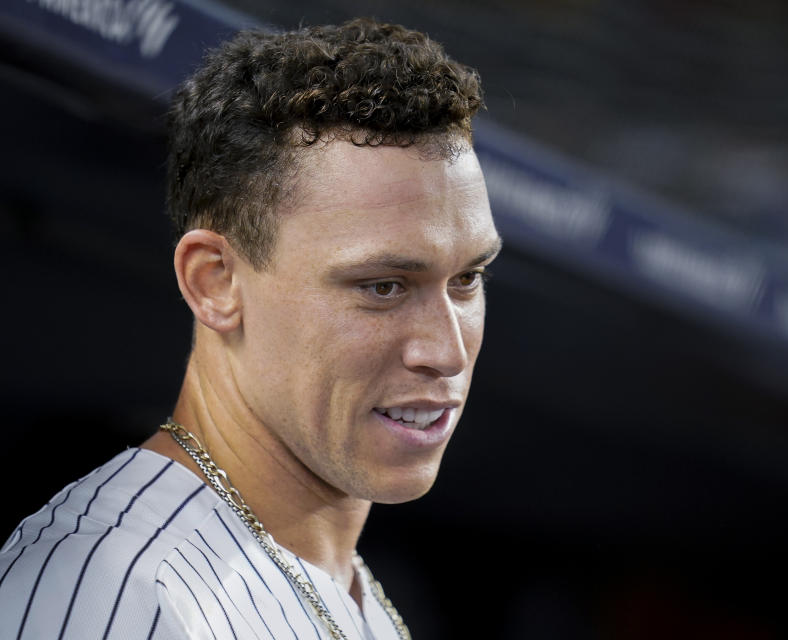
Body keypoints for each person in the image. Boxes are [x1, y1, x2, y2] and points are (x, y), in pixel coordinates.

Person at [0, 17, 500, 639]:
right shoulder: (124, 585)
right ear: (215, 283)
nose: (446, 352)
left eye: (467, 278)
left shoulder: (351, 588)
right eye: (383, 286)